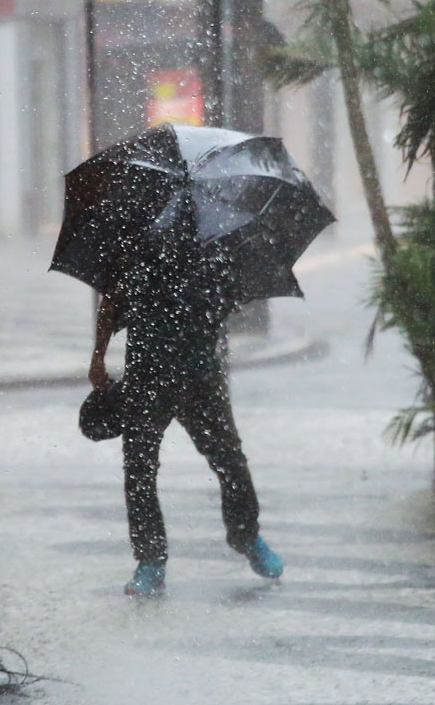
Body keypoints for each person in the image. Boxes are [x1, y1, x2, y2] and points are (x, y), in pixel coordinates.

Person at [88, 212, 283, 597]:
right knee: (140, 469)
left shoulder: (217, 234)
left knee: (229, 460)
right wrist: (98, 355)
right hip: (147, 373)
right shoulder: (135, 235)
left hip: (200, 375)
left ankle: (247, 537)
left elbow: (233, 303)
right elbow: (112, 299)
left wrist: (219, 290)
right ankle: (150, 561)